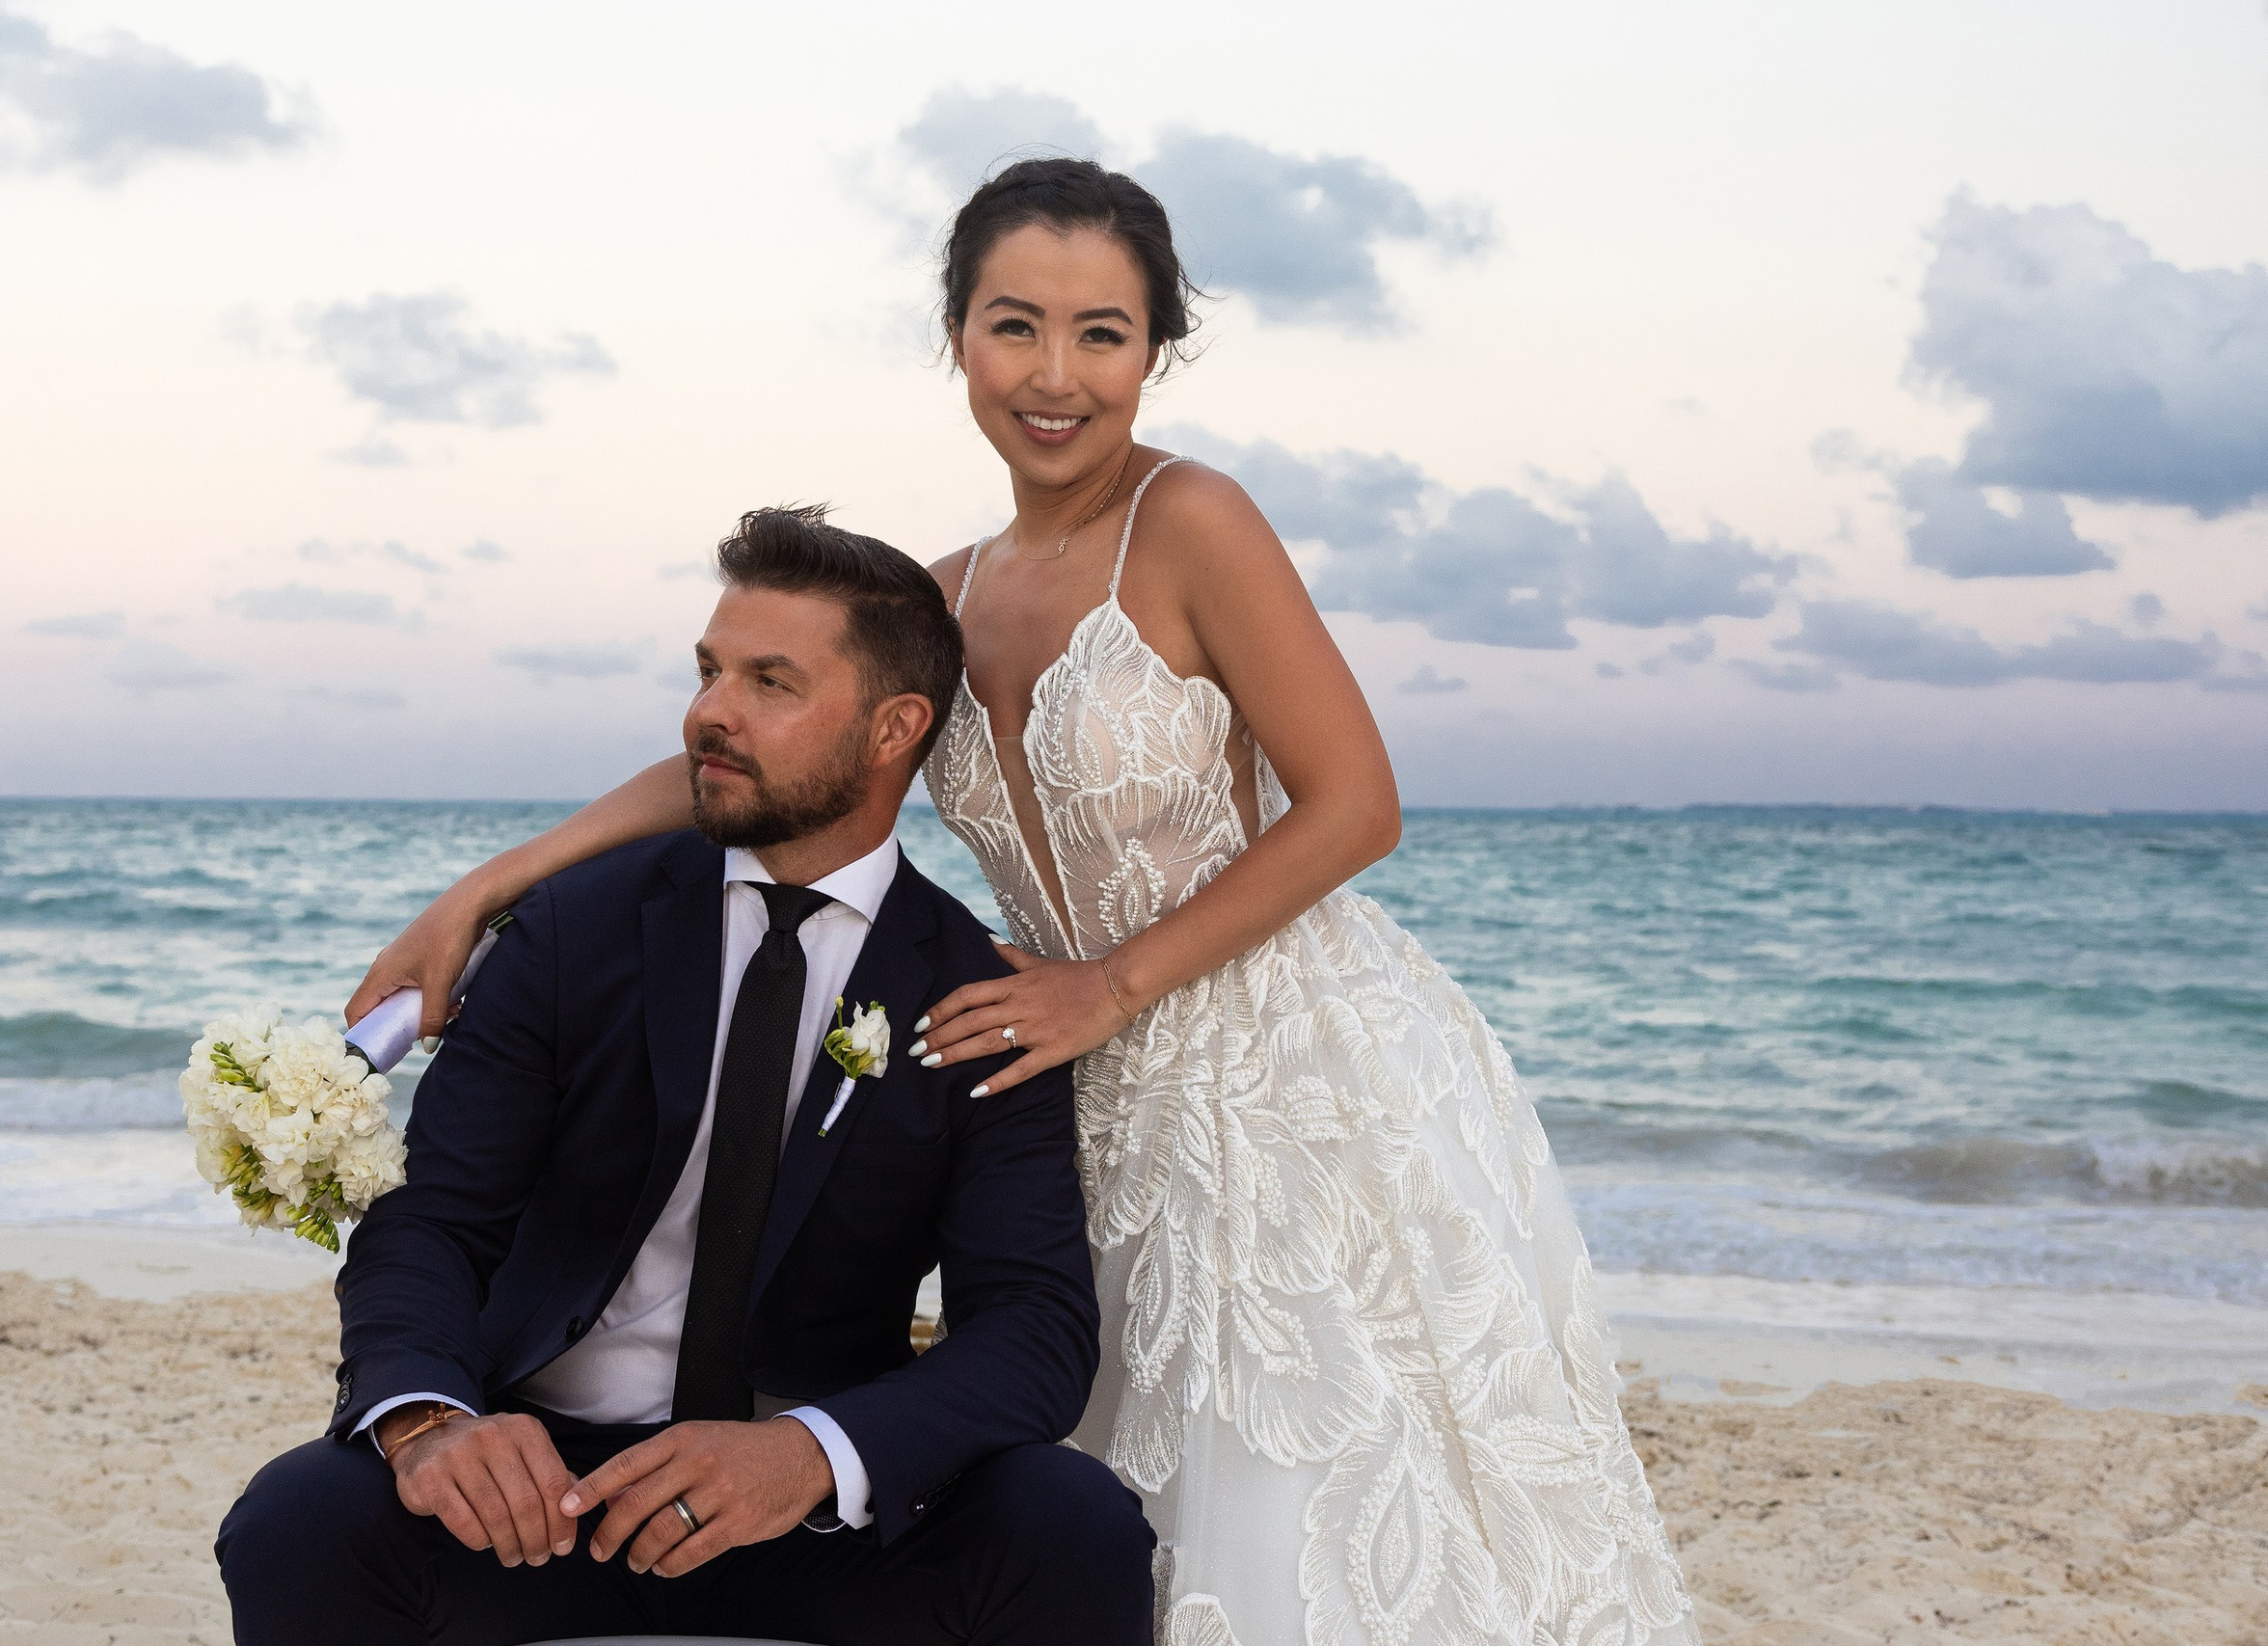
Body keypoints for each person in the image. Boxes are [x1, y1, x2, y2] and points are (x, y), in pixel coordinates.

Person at [351, 160, 1699, 1645]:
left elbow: (1356, 802)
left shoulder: (1194, 519)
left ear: (1156, 350)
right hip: (1062, 1066)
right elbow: (743, 748)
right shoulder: (950, 590)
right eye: (1014, 327)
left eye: (1104, 334)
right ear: (957, 342)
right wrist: (493, 883)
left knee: (1317, 1468)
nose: (1056, 377)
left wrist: (1113, 982)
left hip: (1278, 1064)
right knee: (1103, 1459)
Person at [221, 507, 1155, 1646]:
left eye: (770, 682)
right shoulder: (574, 931)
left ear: (891, 729)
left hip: (812, 1507)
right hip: (544, 1492)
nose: (709, 712)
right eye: (709, 670)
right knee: (296, 1519)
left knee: (1072, 1525)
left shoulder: (974, 994)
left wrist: (815, 1452)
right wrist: (430, 1421)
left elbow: (1032, 1325)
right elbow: (435, 1223)